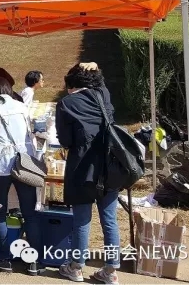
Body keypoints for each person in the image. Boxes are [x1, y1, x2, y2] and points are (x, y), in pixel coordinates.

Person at [56, 63, 120, 284]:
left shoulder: (66, 103)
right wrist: (96, 69)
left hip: (82, 168)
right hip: (109, 166)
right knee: (109, 219)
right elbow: (101, 85)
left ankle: (76, 267)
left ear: (71, 85)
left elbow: (65, 140)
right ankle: (111, 271)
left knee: (82, 220)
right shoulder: (103, 95)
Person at [0, 77, 42, 275]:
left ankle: (4, 259)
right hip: (24, 163)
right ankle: (34, 261)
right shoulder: (22, 106)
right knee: (29, 214)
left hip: (0, 165)